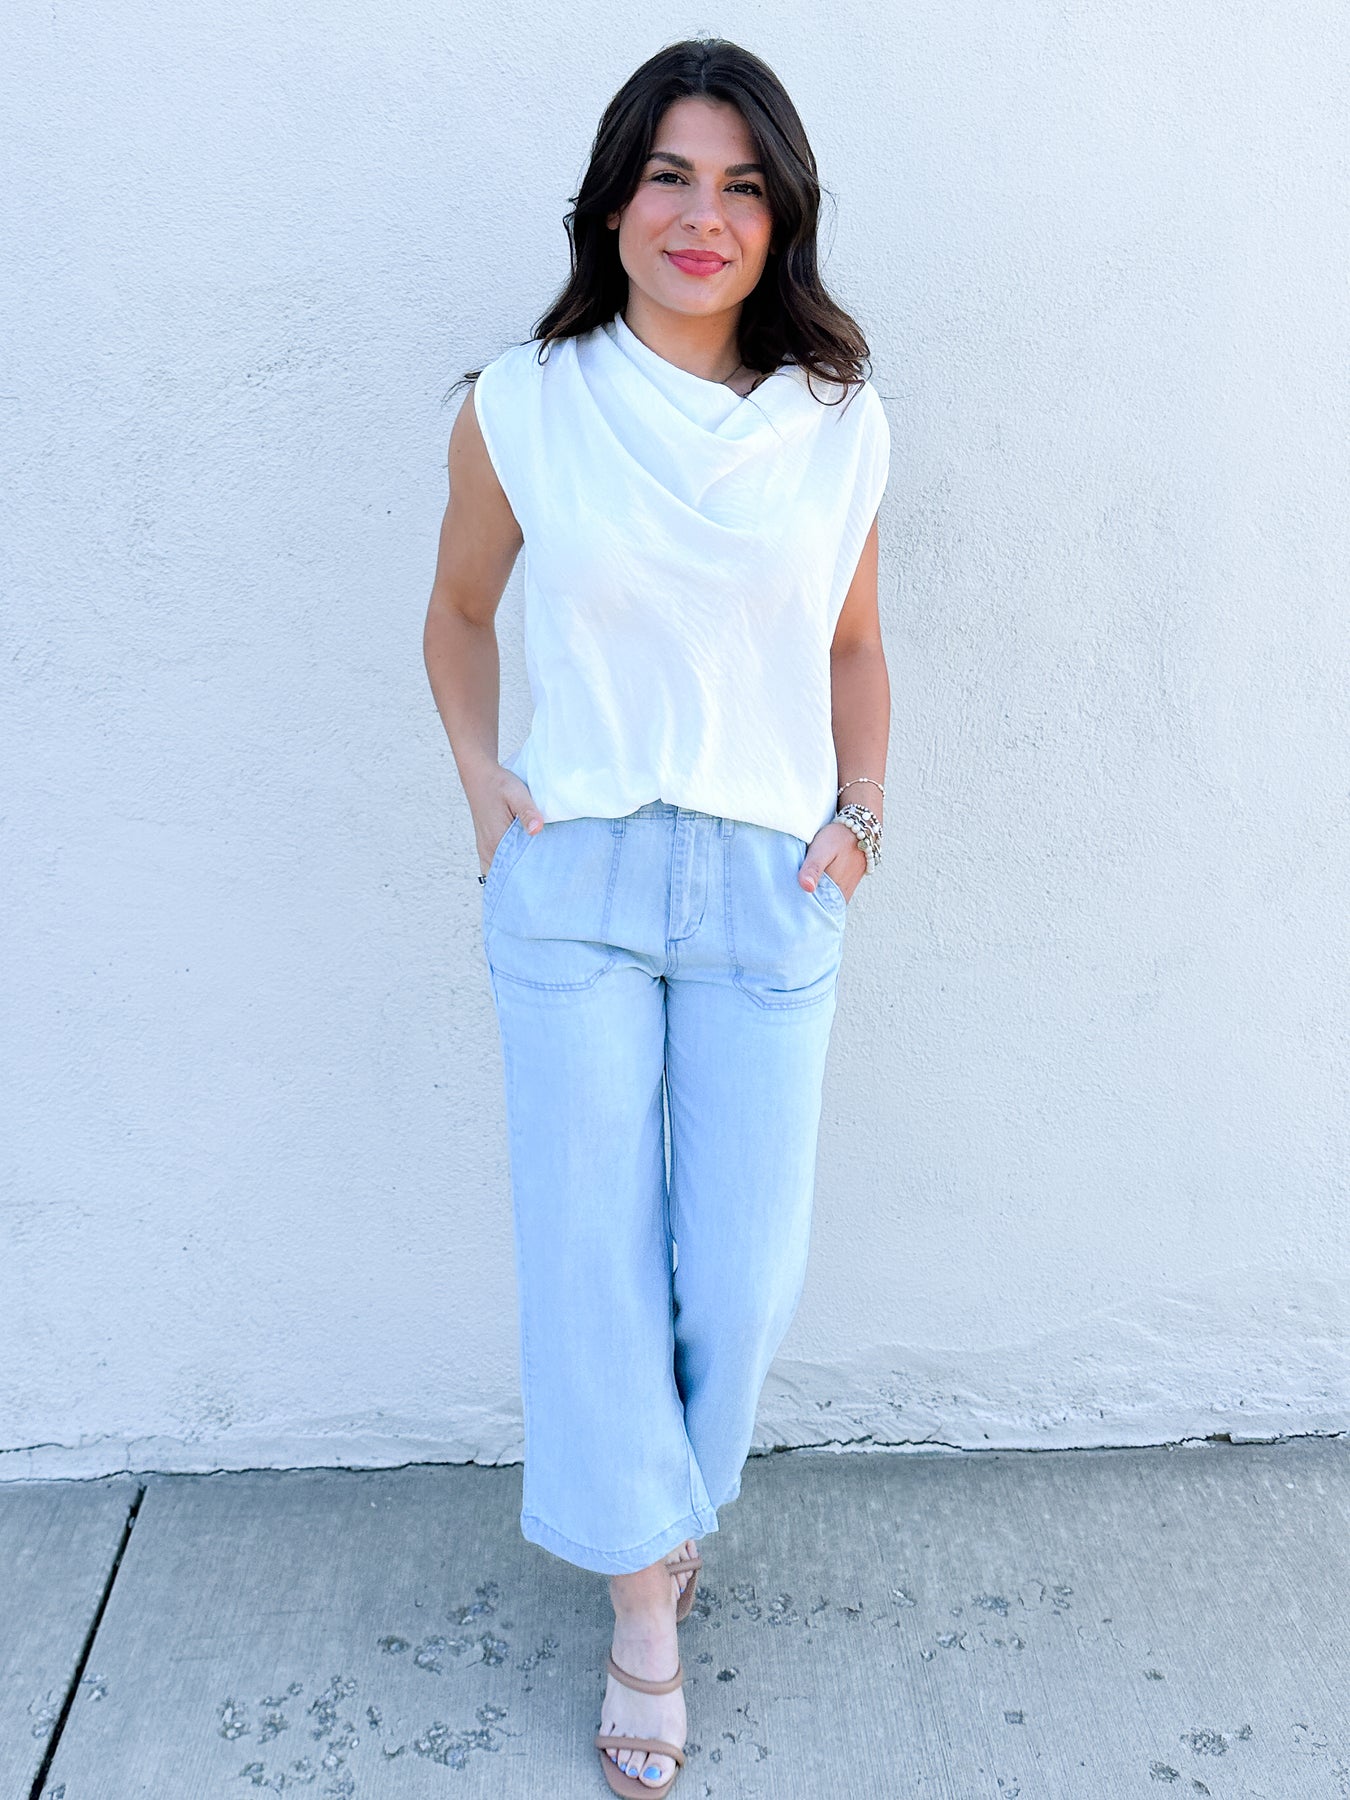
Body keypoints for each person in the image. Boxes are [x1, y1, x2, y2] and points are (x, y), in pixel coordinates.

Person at [422, 36, 890, 1797]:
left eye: (743, 186)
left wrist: (857, 818)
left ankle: (661, 1504)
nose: (704, 216)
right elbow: (457, 613)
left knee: (744, 1269)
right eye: (672, 176)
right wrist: (486, 787)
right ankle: (641, 1602)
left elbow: (855, 645)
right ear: (613, 199)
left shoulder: (835, 417)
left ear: (781, 222)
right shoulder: (521, 402)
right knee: (590, 1250)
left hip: (768, 881)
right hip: (581, 880)